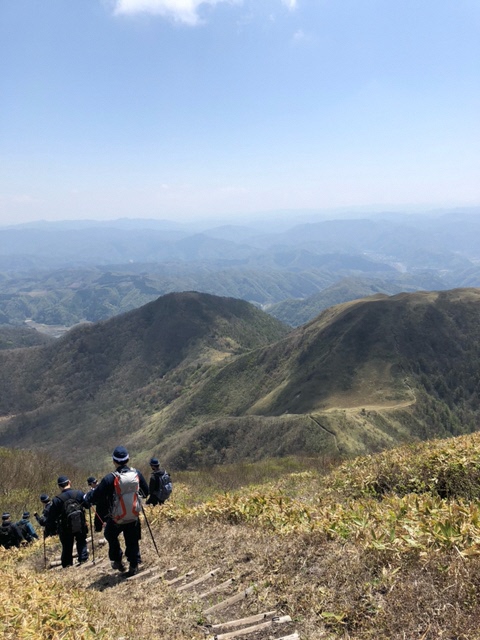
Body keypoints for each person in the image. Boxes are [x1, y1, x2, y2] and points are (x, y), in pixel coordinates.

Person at [85, 446, 148, 577]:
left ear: (114, 461)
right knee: (132, 539)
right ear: (128, 459)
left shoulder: (110, 478)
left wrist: (86, 498)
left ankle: (118, 560)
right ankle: (134, 565)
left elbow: (96, 496)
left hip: (116, 518)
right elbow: (146, 492)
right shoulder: (137, 474)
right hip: (133, 515)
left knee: (110, 535)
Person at [45, 476, 89, 568]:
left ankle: (67, 564)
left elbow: (51, 517)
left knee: (67, 545)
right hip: (80, 522)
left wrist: (50, 529)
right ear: (69, 482)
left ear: (59, 486)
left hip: (65, 527)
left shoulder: (57, 500)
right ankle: (83, 558)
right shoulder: (79, 493)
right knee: (81, 540)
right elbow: (87, 505)